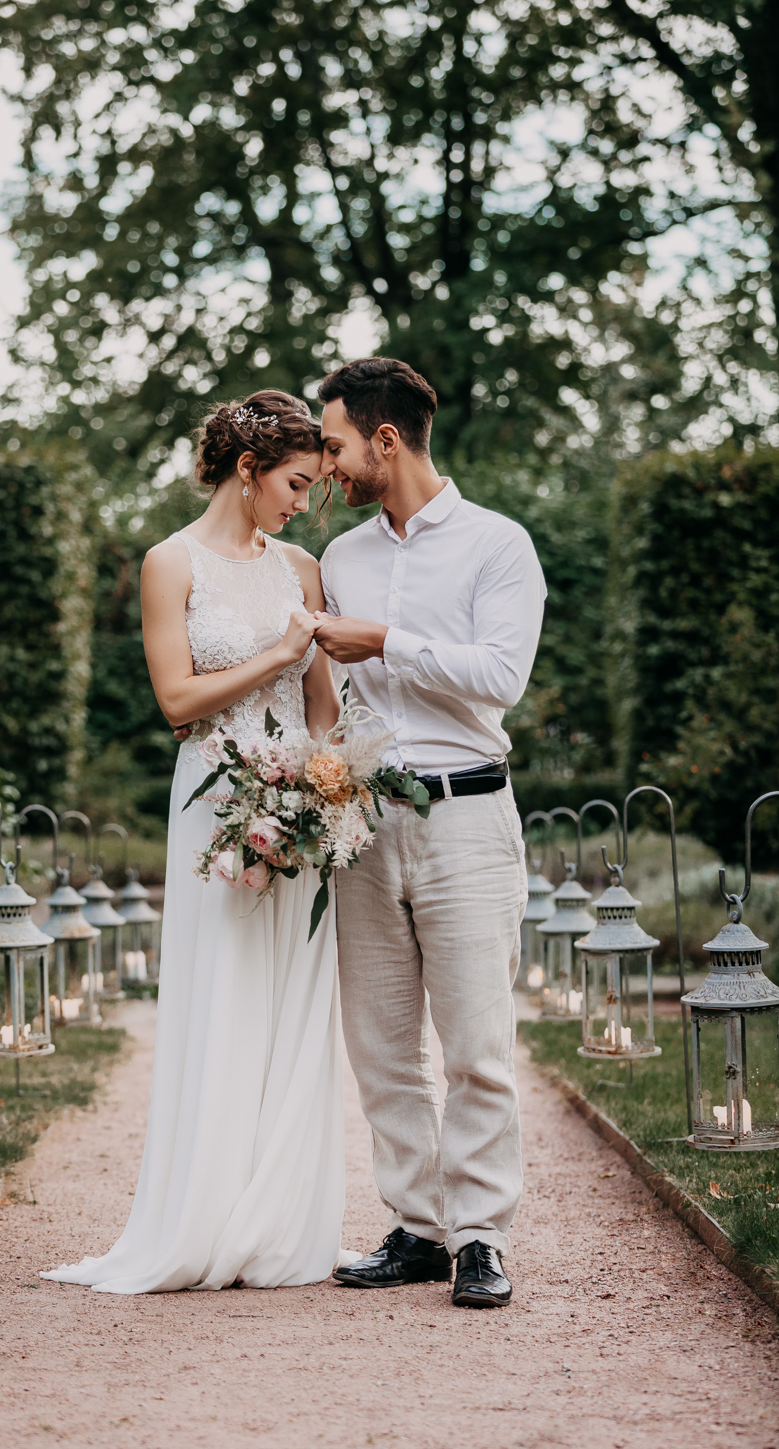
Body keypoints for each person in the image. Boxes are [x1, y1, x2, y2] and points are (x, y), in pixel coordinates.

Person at [41, 391, 347, 1294]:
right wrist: (281, 653)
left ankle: (277, 1224)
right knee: (221, 995)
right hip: (212, 800)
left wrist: (327, 789)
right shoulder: (168, 563)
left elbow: (323, 707)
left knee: (293, 1003)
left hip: (300, 804)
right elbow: (177, 702)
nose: (303, 503)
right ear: (248, 470)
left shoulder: (303, 566)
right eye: (296, 483)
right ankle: (201, 1219)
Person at [314, 357, 546, 1308]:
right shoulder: (341, 559)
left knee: (478, 1042)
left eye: (333, 445)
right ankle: (419, 1228)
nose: (325, 466)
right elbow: (343, 702)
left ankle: (483, 1233)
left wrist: (386, 641)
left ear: (386, 440)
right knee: (380, 1044)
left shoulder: (499, 545)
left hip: (469, 817)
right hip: (367, 822)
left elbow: (501, 678)